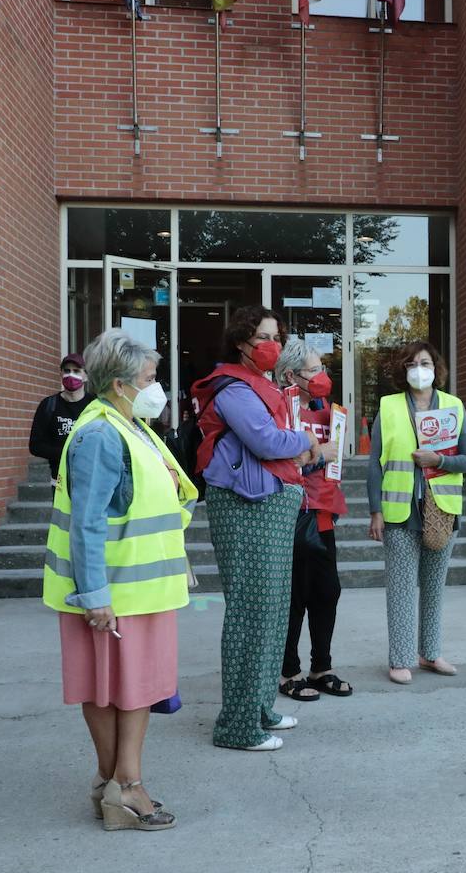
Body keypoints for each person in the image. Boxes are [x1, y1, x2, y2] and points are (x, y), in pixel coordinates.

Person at [43, 329, 193, 831]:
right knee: (115, 692)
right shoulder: (101, 434)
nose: (157, 387)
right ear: (119, 383)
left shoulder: (134, 427)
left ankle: (115, 785)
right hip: (114, 594)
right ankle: (125, 788)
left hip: (141, 590)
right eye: (149, 378)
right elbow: (86, 521)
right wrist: (95, 596)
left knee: (134, 691)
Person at [190, 306, 335, 752]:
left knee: (273, 609)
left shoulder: (264, 385)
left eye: (276, 336)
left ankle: (259, 706)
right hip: (246, 505)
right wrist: (309, 443)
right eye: (264, 337)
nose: (272, 344)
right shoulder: (233, 386)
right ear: (241, 343)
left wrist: (299, 449)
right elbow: (266, 441)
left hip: (269, 503)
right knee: (251, 613)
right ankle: (236, 724)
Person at [366, 341, 466, 684]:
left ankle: (430, 653)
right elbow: (374, 463)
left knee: (434, 587)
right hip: (399, 511)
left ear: (436, 368)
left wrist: (438, 460)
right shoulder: (389, 406)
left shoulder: (454, 406)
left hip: (442, 510)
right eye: (411, 363)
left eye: (425, 362)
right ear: (403, 370)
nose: (418, 369)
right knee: (400, 588)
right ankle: (400, 658)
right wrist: (375, 511)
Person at [274, 339, 352, 702]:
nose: (322, 376)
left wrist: (328, 458)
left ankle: (322, 667)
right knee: (294, 599)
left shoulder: (324, 410)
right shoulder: (280, 412)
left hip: (323, 514)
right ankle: (288, 672)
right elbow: (283, 465)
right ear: (291, 375)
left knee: (327, 593)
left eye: (322, 368)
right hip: (291, 516)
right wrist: (320, 455)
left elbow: (328, 461)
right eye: (314, 370)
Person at [29, 353, 95, 484]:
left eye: (76, 371)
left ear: (86, 376)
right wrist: (68, 452)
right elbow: (35, 446)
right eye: (67, 371)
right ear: (61, 374)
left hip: (91, 478)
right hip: (60, 480)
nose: (71, 375)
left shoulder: (95, 405)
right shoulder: (48, 405)